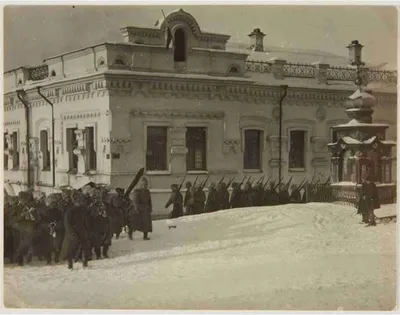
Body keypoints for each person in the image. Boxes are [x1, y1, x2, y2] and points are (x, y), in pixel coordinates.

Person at [60, 190, 91, 269]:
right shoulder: (70, 211)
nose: (79, 202)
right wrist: (71, 233)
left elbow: (86, 220)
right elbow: (67, 223)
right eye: (78, 201)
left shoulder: (83, 210)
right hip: (74, 232)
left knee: (85, 247)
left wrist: (87, 229)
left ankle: (85, 263)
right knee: (71, 248)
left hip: (82, 231)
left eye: (80, 201)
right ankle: (70, 264)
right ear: (74, 201)